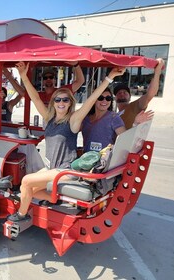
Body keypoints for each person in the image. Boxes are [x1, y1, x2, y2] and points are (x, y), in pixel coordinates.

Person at [7, 62, 125, 222]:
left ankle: (21, 215)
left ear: (70, 103)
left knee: (26, 180)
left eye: (65, 100)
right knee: (25, 189)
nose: (61, 103)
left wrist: (109, 78)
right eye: (57, 99)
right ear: (53, 102)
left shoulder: (73, 120)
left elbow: (91, 100)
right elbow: (34, 97)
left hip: (65, 171)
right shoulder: (49, 118)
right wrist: (23, 76)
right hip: (51, 168)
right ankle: (53, 198)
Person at [114, 58, 164, 129]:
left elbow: (150, 94)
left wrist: (157, 72)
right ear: (115, 98)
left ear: (130, 96)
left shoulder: (135, 106)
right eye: (119, 93)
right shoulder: (115, 115)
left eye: (125, 92)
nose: (122, 94)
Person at [5, 63, 85, 107]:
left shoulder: (61, 92)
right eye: (45, 78)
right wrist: (8, 75)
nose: (48, 79)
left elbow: (80, 81)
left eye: (51, 77)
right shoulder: (40, 96)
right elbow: (23, 93)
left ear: (54, 80)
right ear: (42, 81)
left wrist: (76, 65)